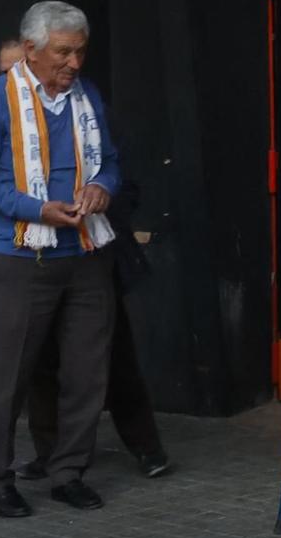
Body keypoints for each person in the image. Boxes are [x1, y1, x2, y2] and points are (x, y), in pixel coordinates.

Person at [0, 0, 123, 517]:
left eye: (80, 52)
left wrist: (100, 188)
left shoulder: (87, 95)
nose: (74, 63)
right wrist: (36, 210)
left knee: (85, 373)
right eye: (63, 52)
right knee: (5, 375)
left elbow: (112, 163)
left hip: (86, 251)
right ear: (30, 49)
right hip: (19, 254)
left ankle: (67, 472)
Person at [18, 179, 171, 480]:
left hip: (94, 255)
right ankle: (50, 451)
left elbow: (124, 186)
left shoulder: (93, 134)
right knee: (40, 358)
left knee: (115, 356)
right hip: (38, 255)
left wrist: (100, 201)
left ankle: (146, 447)